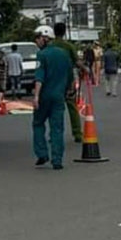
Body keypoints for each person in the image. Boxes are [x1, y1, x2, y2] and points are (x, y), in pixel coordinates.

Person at [32, 25, 72, 170]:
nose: (36, 41)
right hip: (59, 96)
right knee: (57, 128)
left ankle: (42, 153)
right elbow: (70, 76)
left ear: (45, 38)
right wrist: (67, 90)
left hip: (44, 96)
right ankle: (57, 160)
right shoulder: (64, 54)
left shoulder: (42, 55)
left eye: (38, 38)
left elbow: (39, 78)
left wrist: (36, 96)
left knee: (38, 124)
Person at [52, 23, 87, 143]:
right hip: (68, 80)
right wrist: (85, 69)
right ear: (64, 32)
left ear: (54, 32)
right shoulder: (69, 46)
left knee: (55, 109)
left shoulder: (50, 46)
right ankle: (77, 133)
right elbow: (77, 62)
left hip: (53, 82)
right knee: (72, 107)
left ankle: (55, 134)